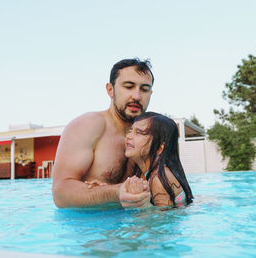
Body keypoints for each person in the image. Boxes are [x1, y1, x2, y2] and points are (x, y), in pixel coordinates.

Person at [52, 58, 154, 208]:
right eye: (129, 87)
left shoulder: (152, 135)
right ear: (110, 89)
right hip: (91, 228)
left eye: (144, 89)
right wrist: (117, 192)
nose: (137, 96)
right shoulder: (89, 125)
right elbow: (60, 193)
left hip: (132, 227)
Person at [124, 112, 194, 207]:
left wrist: (141, 205)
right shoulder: (141, 172)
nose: (129, 136)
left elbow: (164, 220)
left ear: (159, 148)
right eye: (130, 130)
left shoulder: (158, 179)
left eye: (139, 132)